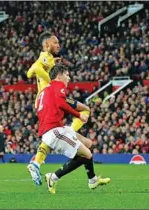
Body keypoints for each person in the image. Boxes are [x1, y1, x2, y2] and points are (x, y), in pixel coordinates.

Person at [26, 31, 91, 186]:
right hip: (51, 97)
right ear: (46, 44)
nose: (58, 45)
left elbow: (30, 72)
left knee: (50, 132)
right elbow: (33, 69)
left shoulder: (49, 60)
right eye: (55, 42)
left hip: (45, 98)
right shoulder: (45, 57)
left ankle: (36, 163)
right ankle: (71, 133)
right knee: (85, 110)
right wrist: (50, 79)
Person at [36, 63, 110, 194]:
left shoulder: (45, 91)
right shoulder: (58, 85)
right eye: (67, 75)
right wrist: (79, 115)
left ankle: (92, 180)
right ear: (59, 76)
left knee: (88, 144)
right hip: (54, 131)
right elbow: (61, 103)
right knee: (87, 154)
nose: (69, 78)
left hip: (56, 128)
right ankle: (53, 177)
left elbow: (54, 104)